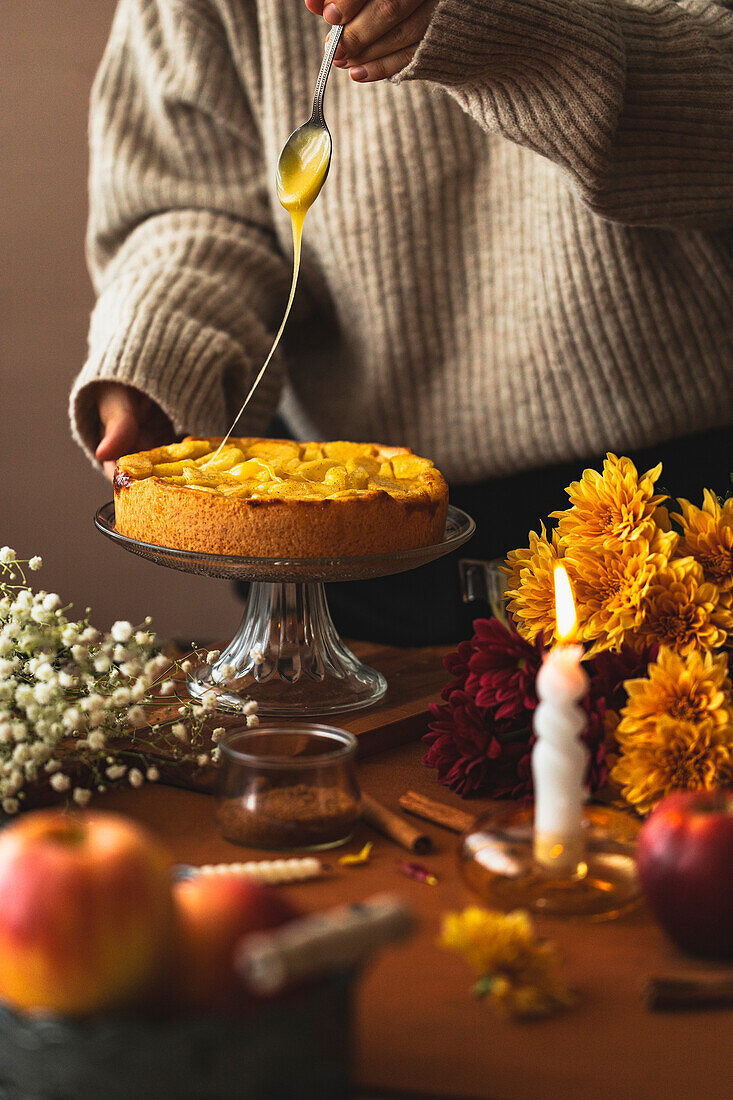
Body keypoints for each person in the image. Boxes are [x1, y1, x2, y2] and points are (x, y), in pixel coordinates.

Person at [71, 0, 733, 645]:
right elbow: (194, 205)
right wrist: (164, 348)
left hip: (672, 514)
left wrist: (510, 30)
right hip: (336, 545)